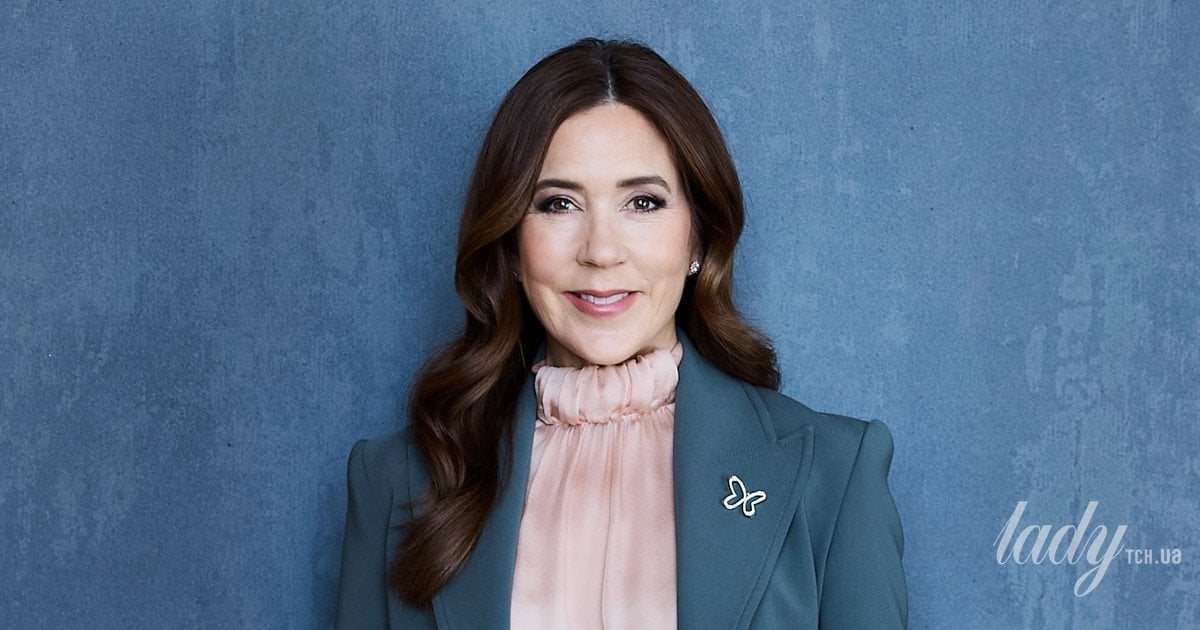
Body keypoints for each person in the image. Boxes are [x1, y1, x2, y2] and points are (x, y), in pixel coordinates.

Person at [335, 38, 907, 629]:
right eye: (558, 204)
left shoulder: (836, 473)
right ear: (510, 242)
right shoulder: (395, 480)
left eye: (643, 202)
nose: (601, 251)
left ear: (699, 235)